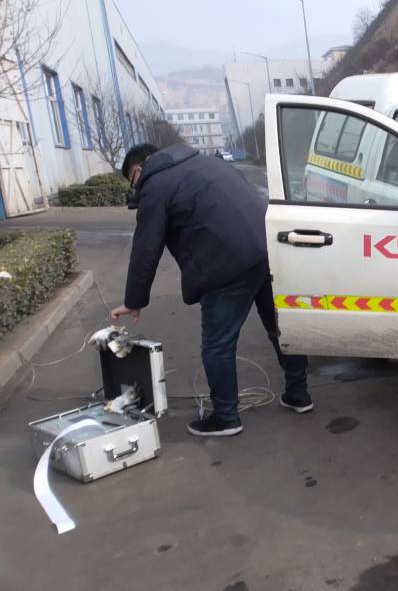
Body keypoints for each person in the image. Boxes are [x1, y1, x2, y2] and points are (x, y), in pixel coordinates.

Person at [110, 142, 312, 437]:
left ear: (138, 170)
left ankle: (226, 417)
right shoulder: (209, 162)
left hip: (226, 263)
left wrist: (133, 301)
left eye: (133, 180)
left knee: (218, 344)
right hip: (266, 247)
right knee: (278, 327)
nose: (136, 187)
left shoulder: (156, 184)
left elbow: (146, 248)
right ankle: (299, 394)